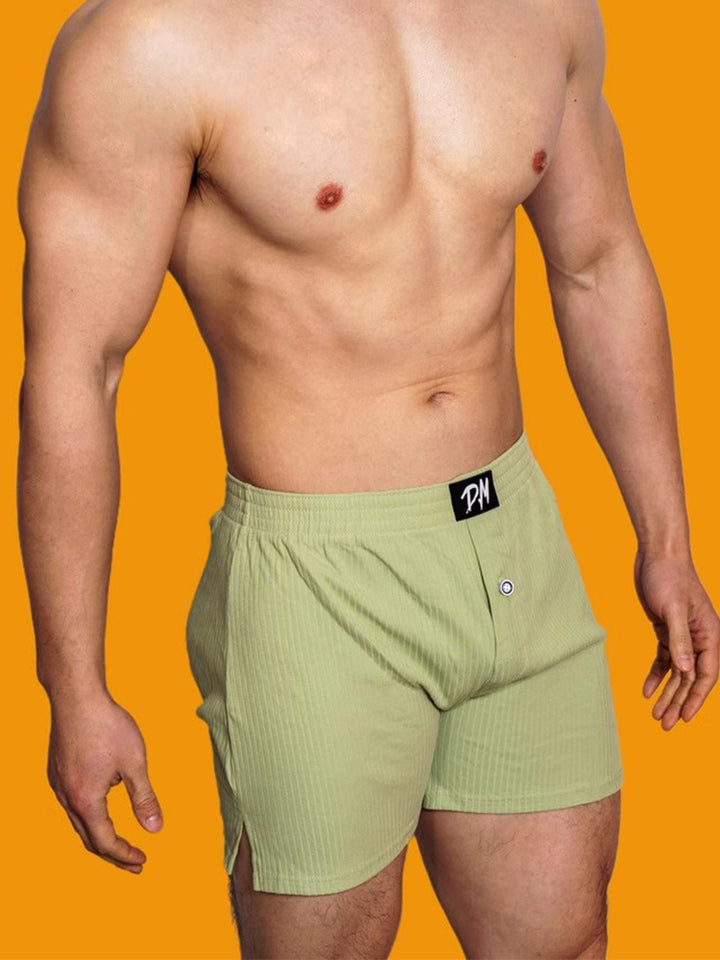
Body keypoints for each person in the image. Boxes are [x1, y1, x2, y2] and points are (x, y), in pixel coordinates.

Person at [16, 0, 719, 956]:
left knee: (565, 940)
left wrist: (666, 538)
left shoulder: (540, 11)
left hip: (512, 538)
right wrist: (74, 687)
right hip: (318, 584)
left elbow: (598, 262)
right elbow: (77, 370)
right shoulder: (153, 43)